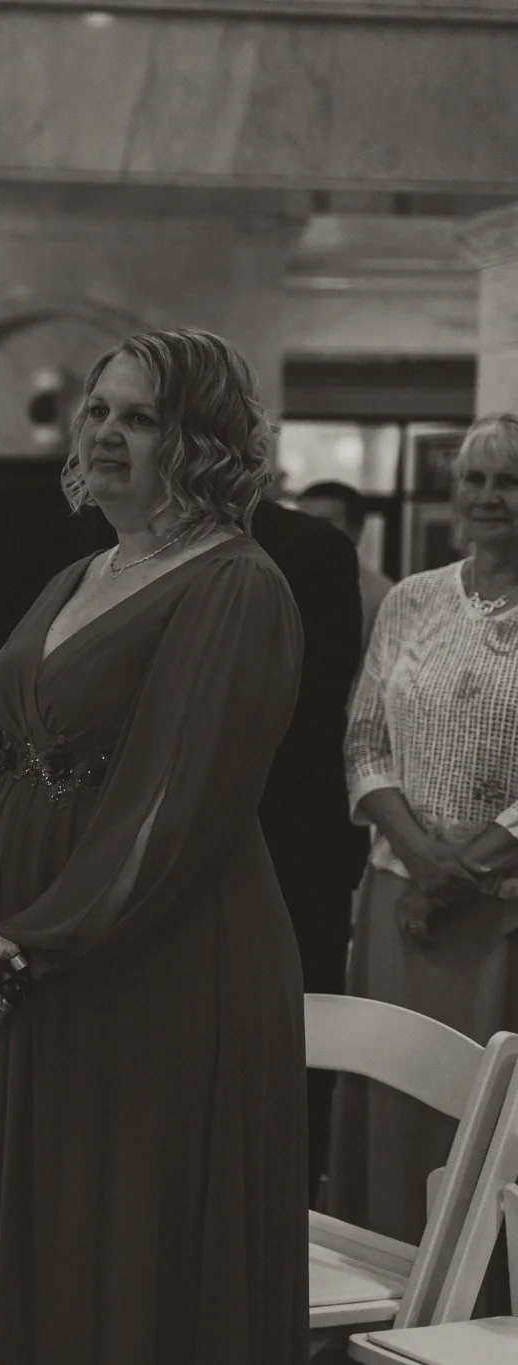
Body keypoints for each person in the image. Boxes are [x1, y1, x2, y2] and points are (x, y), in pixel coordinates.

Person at [0, 328, 308, 1364]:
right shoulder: (79, 574)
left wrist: (37, 939)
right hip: (37, 949)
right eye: (97, 410)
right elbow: (3, 751)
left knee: (130, 1220)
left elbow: (175, 804)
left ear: (202, 442)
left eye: (139, 418)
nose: (103, 434)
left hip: (153, 953)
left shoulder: (236, 586)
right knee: (47, 1206)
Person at [331, 411, 518, 1247]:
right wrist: (415, 852)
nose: (489, 496)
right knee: (388, 1094)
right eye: (474, 479)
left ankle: (473, 1297)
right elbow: (364, 736)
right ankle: (378, 1283)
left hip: (499, 910)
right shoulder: (411, 598)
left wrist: (463, 869)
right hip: (395, 897)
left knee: (479, 1105)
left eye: (509, 479)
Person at [247, 492, 369, 1202]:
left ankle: (294, 1194)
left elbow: (318, 702)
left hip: (292, 832)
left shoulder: (313, 551)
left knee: (300, 1030)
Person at [298, 479, 395, 647]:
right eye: (300, 522)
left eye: (323, 523)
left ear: (355, 530)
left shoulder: (382, 596)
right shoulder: (280, 584)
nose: (307, 532)